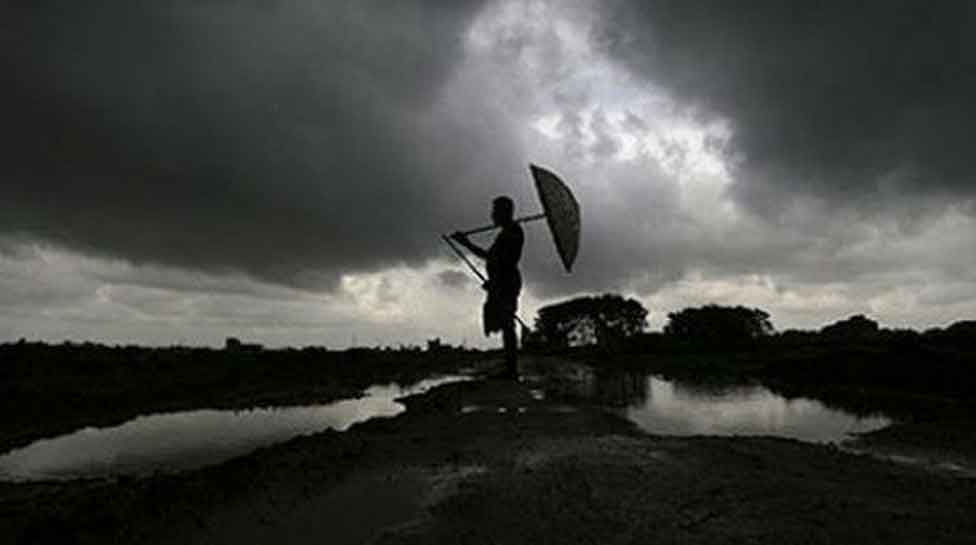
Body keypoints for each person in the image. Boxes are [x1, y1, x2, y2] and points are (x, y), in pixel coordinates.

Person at [452, 196, 524, 379]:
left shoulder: (513, 232)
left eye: (495, 212)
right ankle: (510, 368)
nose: (492, 216)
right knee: (504, 322)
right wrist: (466, 244)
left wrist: (495, 282)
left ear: (503, 213)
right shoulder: (506, 232)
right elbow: (490, 257)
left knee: (507, 324)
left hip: (506, 283)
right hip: (501, 282)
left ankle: (511, 370)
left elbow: (504, 261)